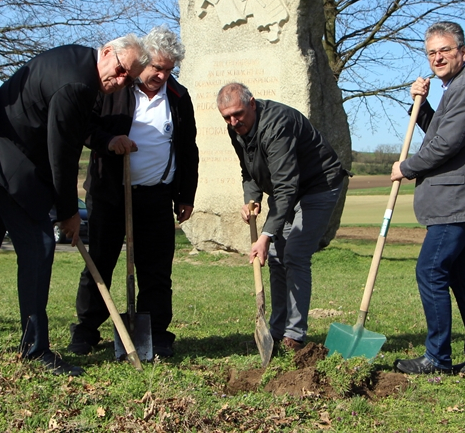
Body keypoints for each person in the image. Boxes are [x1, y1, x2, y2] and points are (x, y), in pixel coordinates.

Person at [0, 36, 149, 376]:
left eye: (130, 78)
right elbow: (60, 155)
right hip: (1, 156)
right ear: (107, 52)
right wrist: (66, 213)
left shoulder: (80, 65)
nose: (121, 81)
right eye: (121, 70)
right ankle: (35, 349)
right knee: (39, 244)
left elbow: (72, 132)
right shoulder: (76, 84)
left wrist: (105, 141)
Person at [68, 27, 199, 359]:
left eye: (169, 69)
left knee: (156, 269)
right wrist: (109, 141)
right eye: (156, 67)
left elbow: (187, 149)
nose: (161, 75)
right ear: (143, 60)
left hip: (156, 196)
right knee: (101, 261)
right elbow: (83, 126)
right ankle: (86, 329)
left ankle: (155, 333)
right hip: (111, 193)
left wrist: (185, 195)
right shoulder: (113, 88)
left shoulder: (179, 98)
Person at [391, 21, 465, 376]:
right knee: (464, 280)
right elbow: (443, 131)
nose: (437, 58)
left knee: (431, 270)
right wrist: (420, 106)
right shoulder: (456, 87)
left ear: (462, 53)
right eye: (432, 53)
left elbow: (446, 145)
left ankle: (437, 358)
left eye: (445, 51)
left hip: (459, 201)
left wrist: (406, 167)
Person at [217, 83, 346, 352]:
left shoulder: (277, 124)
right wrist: (251, 201)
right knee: (276, 257)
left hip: (318, 185)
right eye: (227, 117)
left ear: (252, 103)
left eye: (238, 113)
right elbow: (249, 171)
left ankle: (295, 336)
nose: (233, 121)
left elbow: (287, 185)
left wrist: (265, 235)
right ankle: (276, 330)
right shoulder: (236, 129)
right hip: (287, 189)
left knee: (295, 254)